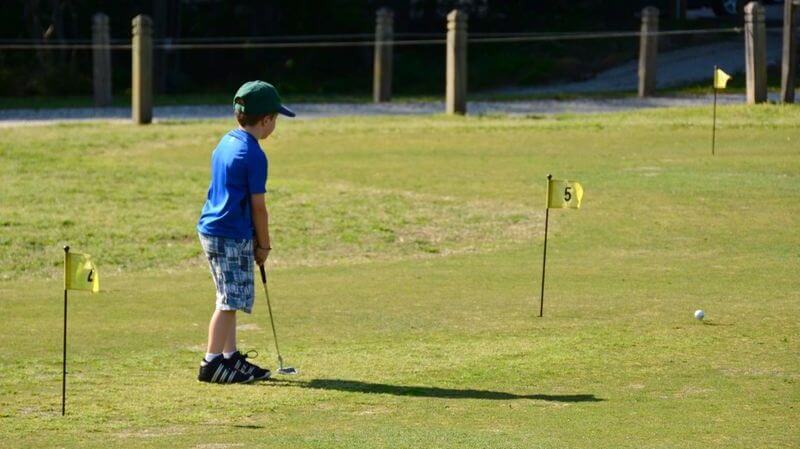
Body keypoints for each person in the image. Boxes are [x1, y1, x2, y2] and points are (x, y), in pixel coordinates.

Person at [196, 81, 295, 384]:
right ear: (265, 120)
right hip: (230, 233)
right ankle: (211, 363)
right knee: (229, 300)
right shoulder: (254, 155)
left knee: (231, 296)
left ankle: (230, 357)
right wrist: (263, 245)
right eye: (275, 119)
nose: (275, 124)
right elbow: (259, 208)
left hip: (213, 229)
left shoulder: (226, 141)